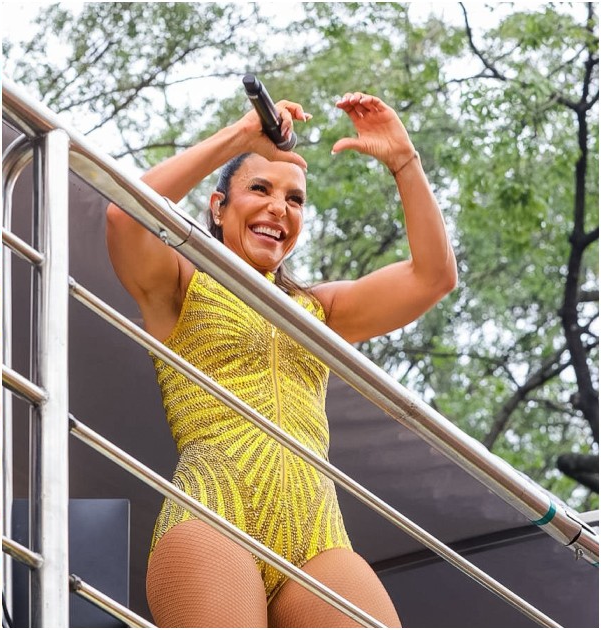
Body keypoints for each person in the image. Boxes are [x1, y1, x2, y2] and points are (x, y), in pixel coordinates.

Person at [106, 92, 456, 627]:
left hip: (317, 532)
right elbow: (124, 214)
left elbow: (433, 277)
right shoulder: (181, 282)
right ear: (218, 206)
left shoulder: (319, 309)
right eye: (260, 189)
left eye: (295, 199)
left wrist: (404, 162)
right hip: (214, 510)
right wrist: (240, 136)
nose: (279, 208)